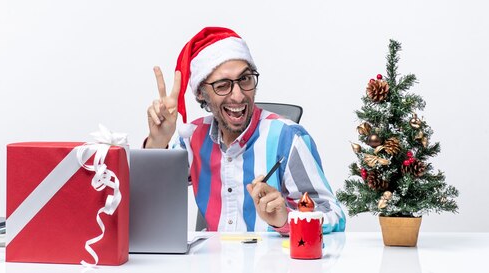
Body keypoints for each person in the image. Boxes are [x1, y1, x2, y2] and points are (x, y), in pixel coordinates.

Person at [144, 27, 346, 233]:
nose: (239, 96)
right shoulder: (191, 138)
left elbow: (333, 215)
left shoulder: (289, 138)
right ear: (201, 94)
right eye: (223, 85)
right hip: (209, 263)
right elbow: (149, 199)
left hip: (273, 263)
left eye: (245, 79)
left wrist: (286, 220)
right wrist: (157, 142)